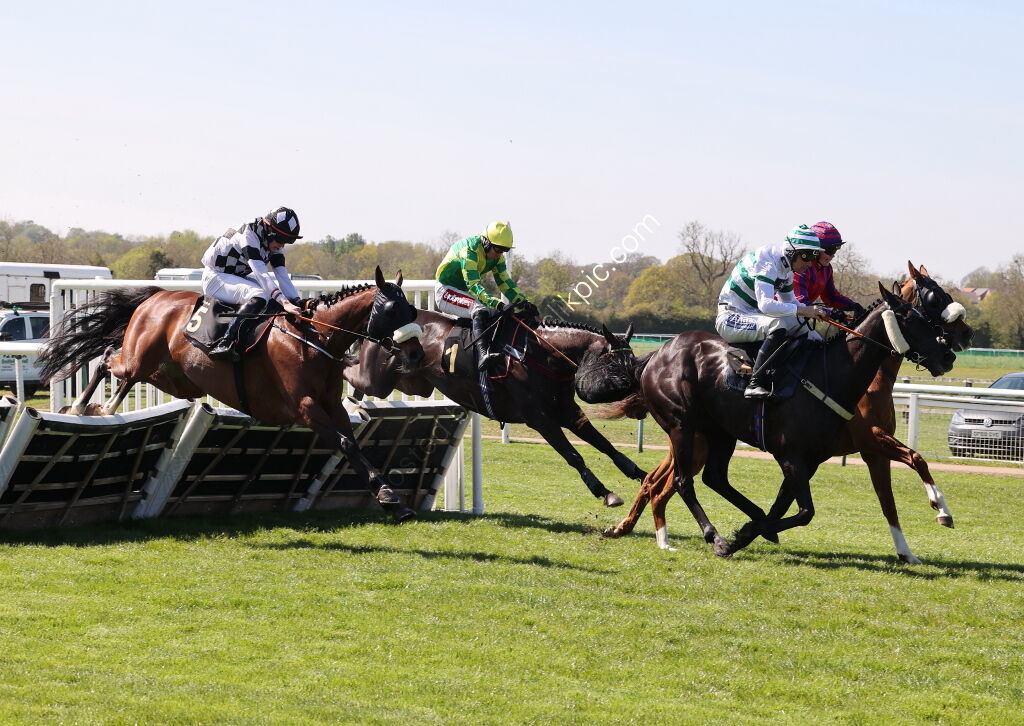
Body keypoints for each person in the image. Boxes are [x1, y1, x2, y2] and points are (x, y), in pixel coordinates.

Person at [716, 224, 829, 399]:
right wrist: (805, 310)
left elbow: (790, 303)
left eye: (813, 257)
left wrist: (816, 312)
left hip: (753, 316)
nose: (809, 263)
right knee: (778, 325)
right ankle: (755, 383)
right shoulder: (767, 262)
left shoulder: (787, 269)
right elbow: (766, 305)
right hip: (731, 317)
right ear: (791, 252)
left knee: (809, 331)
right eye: (806, 256)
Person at [201, 206, 306, 361]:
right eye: (282, 239)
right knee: (261, 294)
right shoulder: (249, 234)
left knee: (270, 297)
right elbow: (261, 274)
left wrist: (298, 302)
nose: (283, 245)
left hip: (232, 277)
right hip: (215, 277)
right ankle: (225, 342)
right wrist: (284, 302)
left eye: (288, 241)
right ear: (270, 231)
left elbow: (282, 276)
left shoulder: (272, 241)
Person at [434, 221, 534, 371]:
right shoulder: (469, 250)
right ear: (486, 242)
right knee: (479, 310)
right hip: (446, 291)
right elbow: (473, 285)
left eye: (504, 250)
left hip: (465, 293)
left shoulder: (497, 257)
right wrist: (498, 303)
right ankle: (482, 355)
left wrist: (523, 302)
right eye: (498, 249)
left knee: (500, 314)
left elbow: (505, 282)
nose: (500, 254)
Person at [793, 221, 867, 332]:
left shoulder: (827, 269)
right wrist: (830, 313)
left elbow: (831, 297)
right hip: (781, 315)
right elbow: (801, 302)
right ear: (816, 251)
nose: (833, 255)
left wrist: (853, 305)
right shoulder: (802, 267)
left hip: (800, 319)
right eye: (830, 251)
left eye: (835, 250)